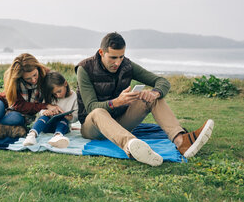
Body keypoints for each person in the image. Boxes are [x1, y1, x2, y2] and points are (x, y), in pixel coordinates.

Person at [75, 32, 214, 166]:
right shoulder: (85, 68)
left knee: (152, 98)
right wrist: (117, 102)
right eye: (113, 58)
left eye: (121, 57)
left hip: (121, 122)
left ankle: (181, 141)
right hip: (93, 127)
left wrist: (155, 93)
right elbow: (91, 107)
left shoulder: (126, 65)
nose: (117, 63)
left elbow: (162, 81)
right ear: (101, 53)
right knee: (98, 112)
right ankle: (132, 146)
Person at [23, 71, 78, 148]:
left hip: (62, 126)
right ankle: (31, 136)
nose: (58, 95)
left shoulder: (74, 97)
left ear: (65, 83)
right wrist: (45, 112)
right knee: (43, 117)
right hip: (46, 125)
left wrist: (71, 117)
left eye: (59, 91)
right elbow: (41, 110)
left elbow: (76, 116)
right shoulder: (50, 97)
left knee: (63, 119)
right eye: (55, 94)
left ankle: (58, 137)